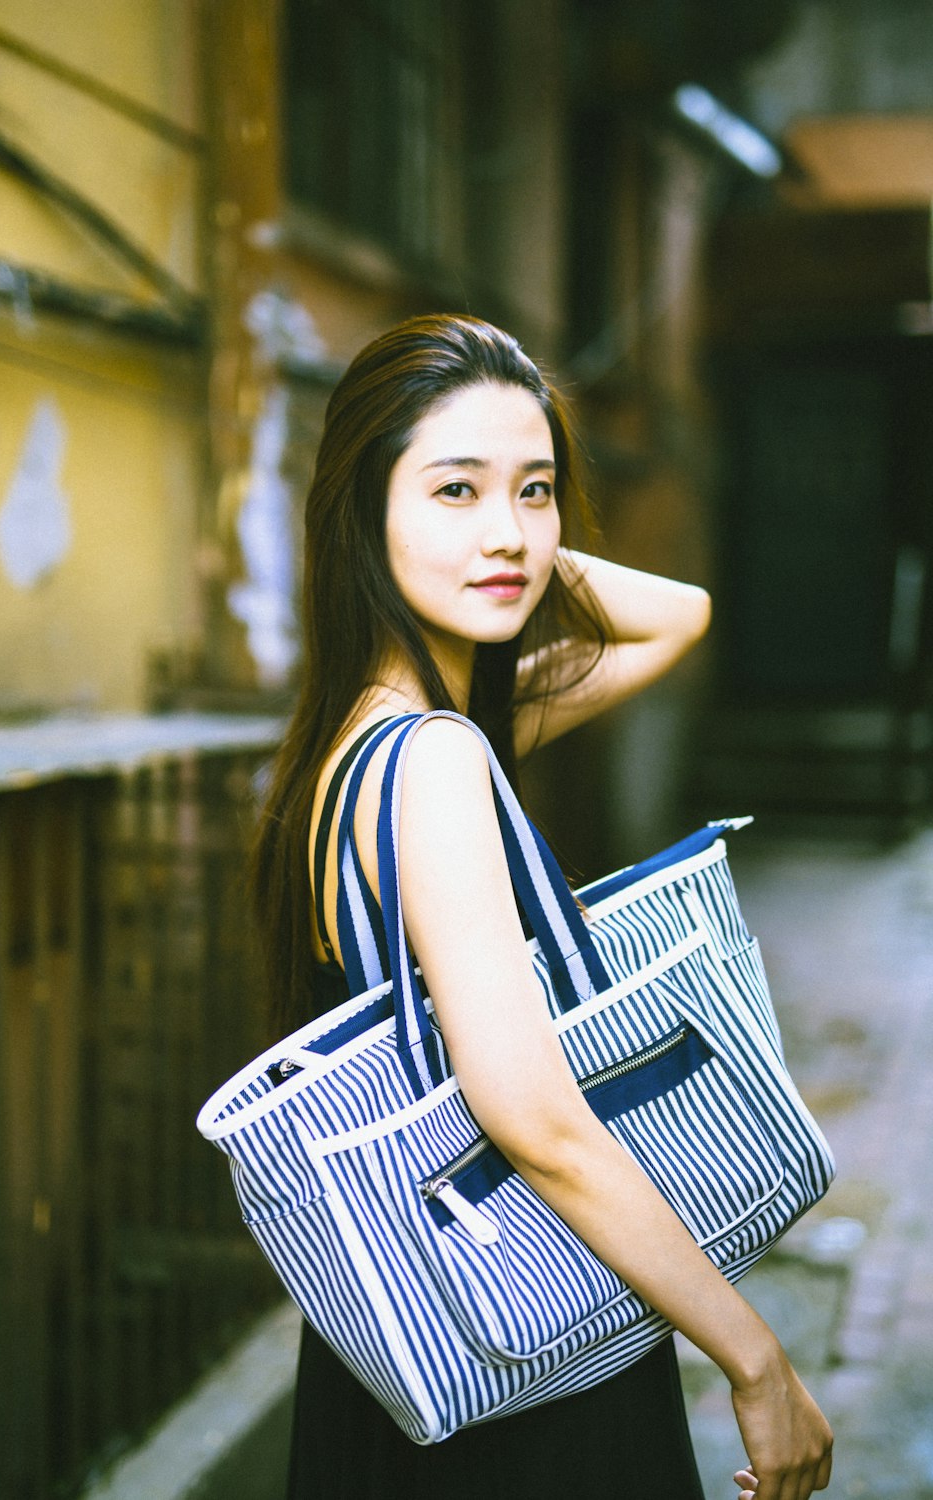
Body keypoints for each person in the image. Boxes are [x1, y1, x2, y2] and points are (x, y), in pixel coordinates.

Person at [252, 313, 833, 1500]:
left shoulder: (360, 744)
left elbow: (678, 613)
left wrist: (491, 551)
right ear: (365, 511)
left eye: (537, 491)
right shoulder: (436, 766)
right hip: (526, 1353)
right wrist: (756, 1359)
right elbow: (535, 1120)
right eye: (452, 490)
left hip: (422, 1338)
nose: (507, 531)